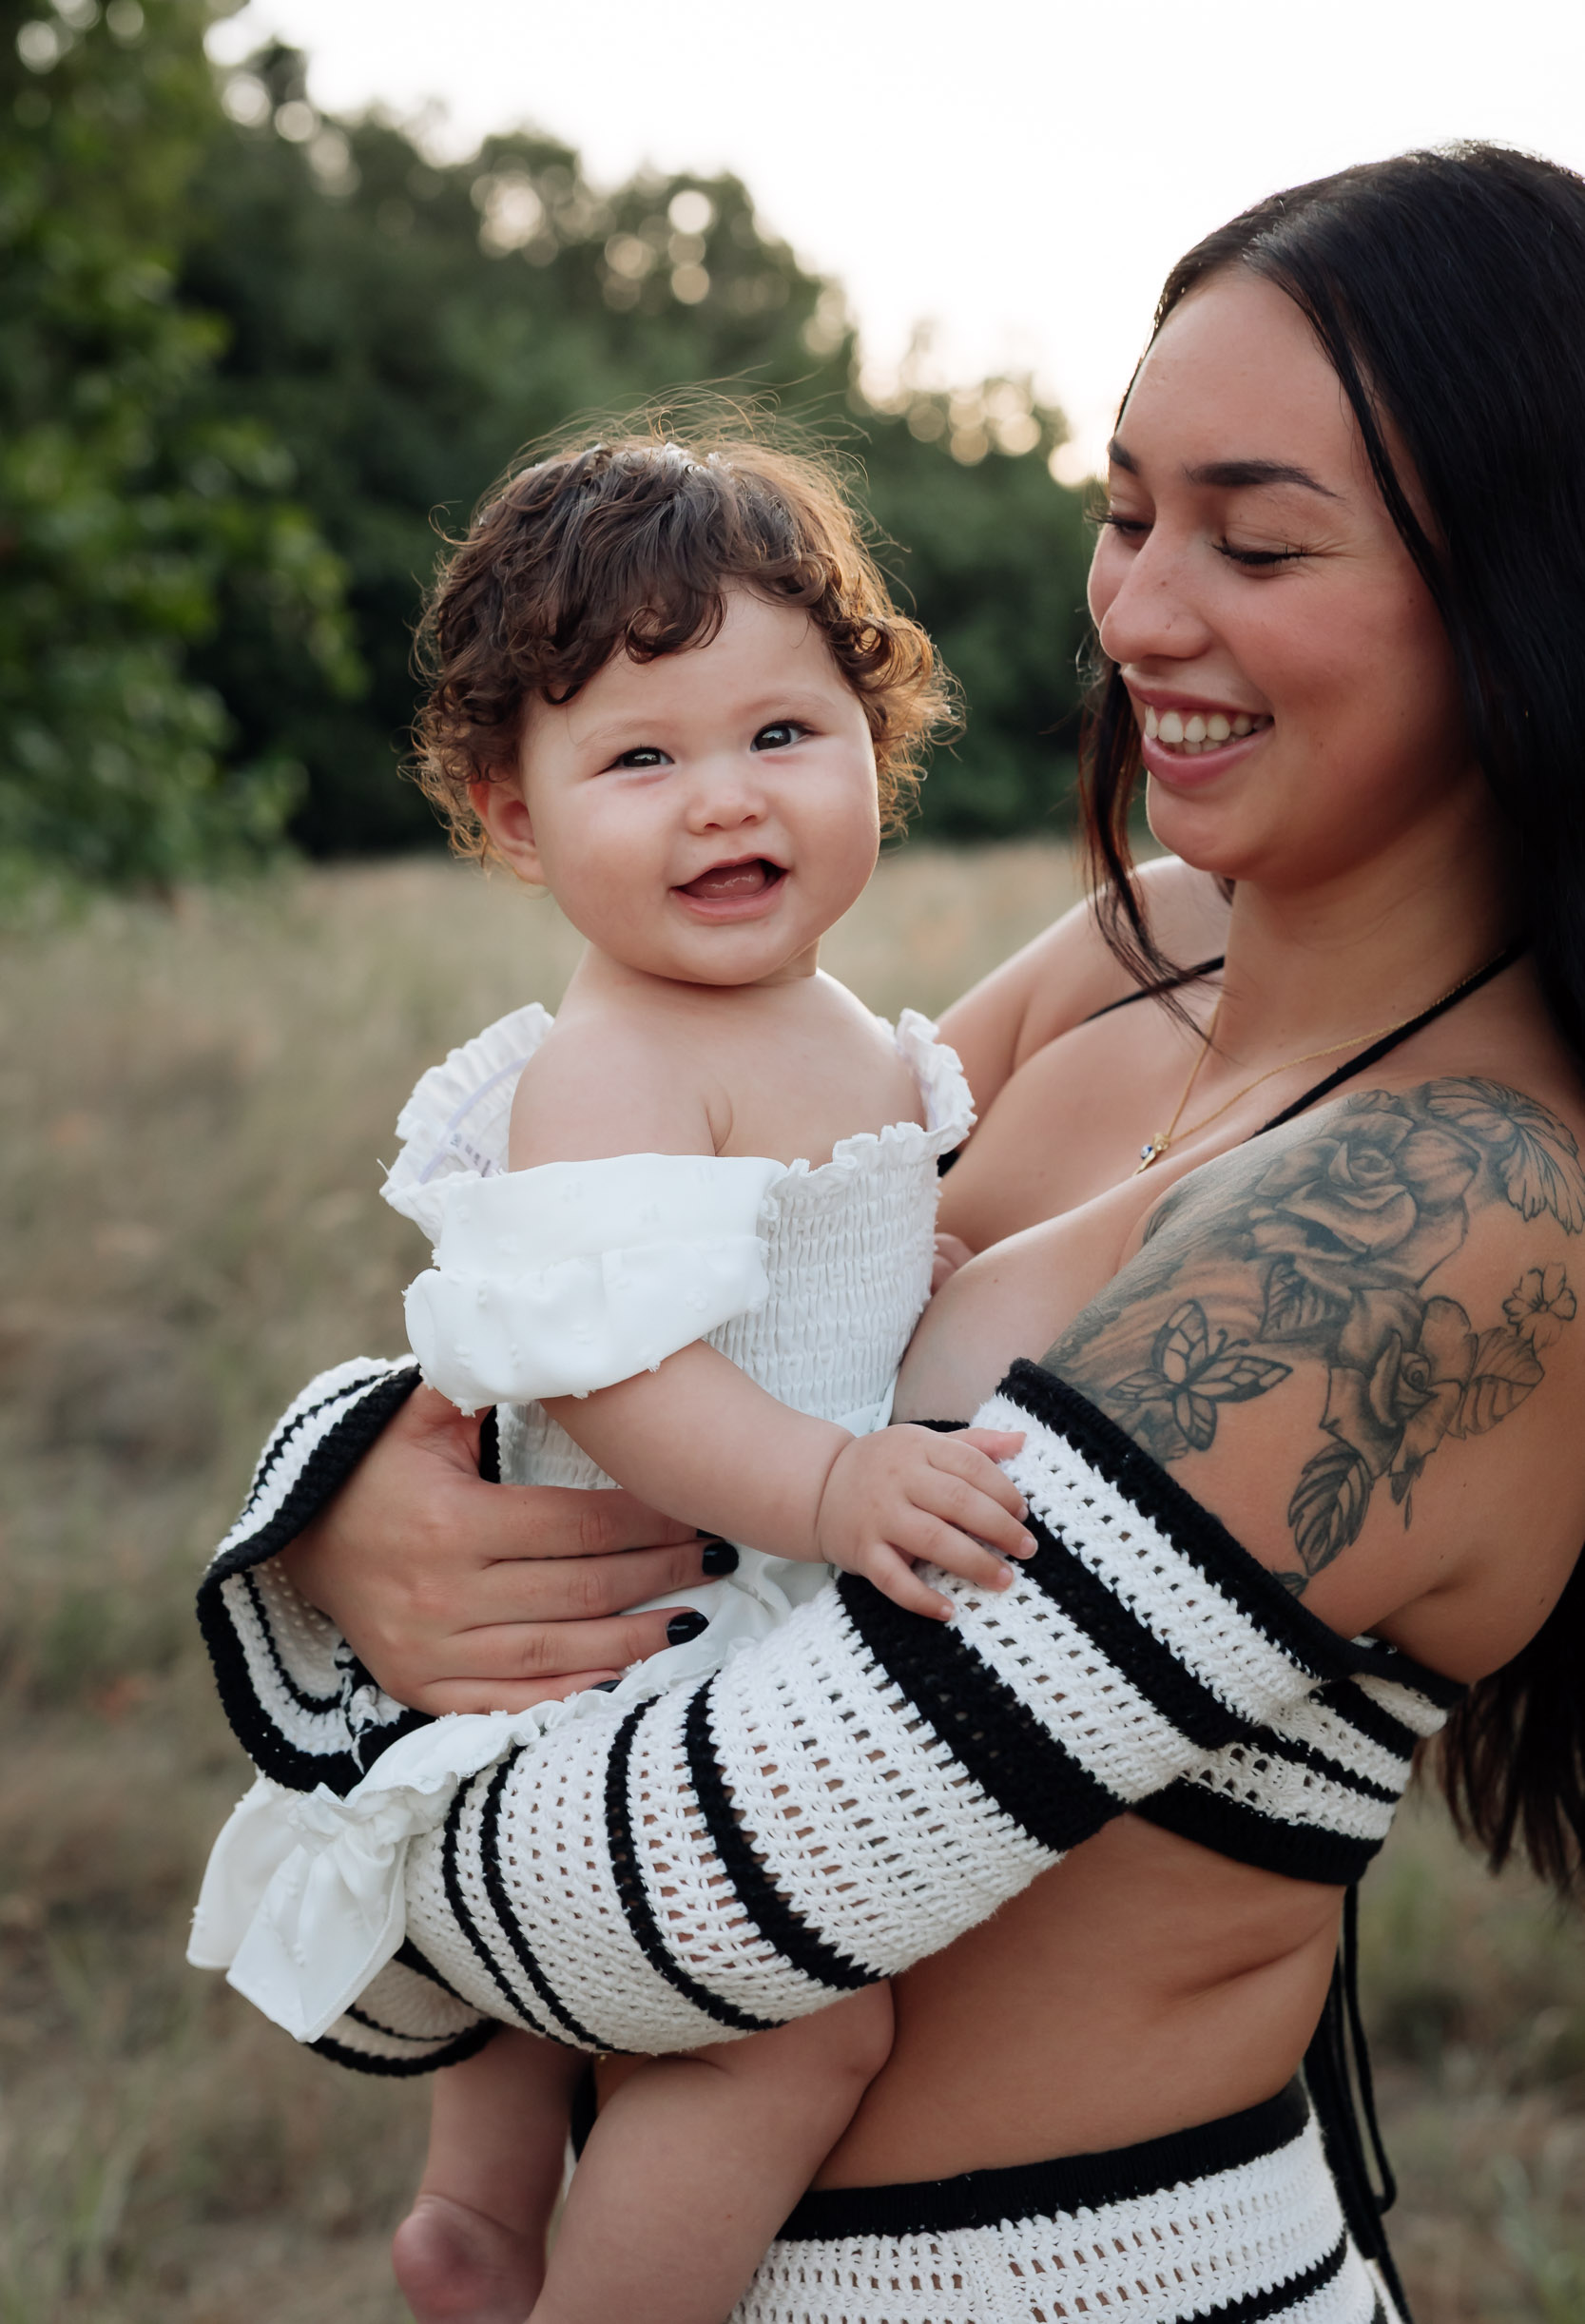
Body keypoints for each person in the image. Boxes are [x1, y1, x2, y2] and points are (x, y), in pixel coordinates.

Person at [193, 143, 1585, 2324]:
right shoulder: (1148, 958)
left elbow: (699, 1900)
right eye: (1124, 514)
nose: (1133, 611)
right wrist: (363, 1497)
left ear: (1527, 588)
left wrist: (328, 1697)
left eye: (1258, 536)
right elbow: (684, 1263)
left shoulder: (1462, 1206)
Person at [191, 432, 1038, 2324]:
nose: (719, 800)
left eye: (781, 735)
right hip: (670, 1615)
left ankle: (480, 2217)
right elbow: (623, 1375)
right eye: (639, 758)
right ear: (513, 816)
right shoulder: (619, 1061)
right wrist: (831, 1489)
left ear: (873, 744)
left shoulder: (837, 1034)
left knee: (632, 1986)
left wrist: (926, 1274)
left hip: (711, 1622)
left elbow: (809, 1269)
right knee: (795, 2033)